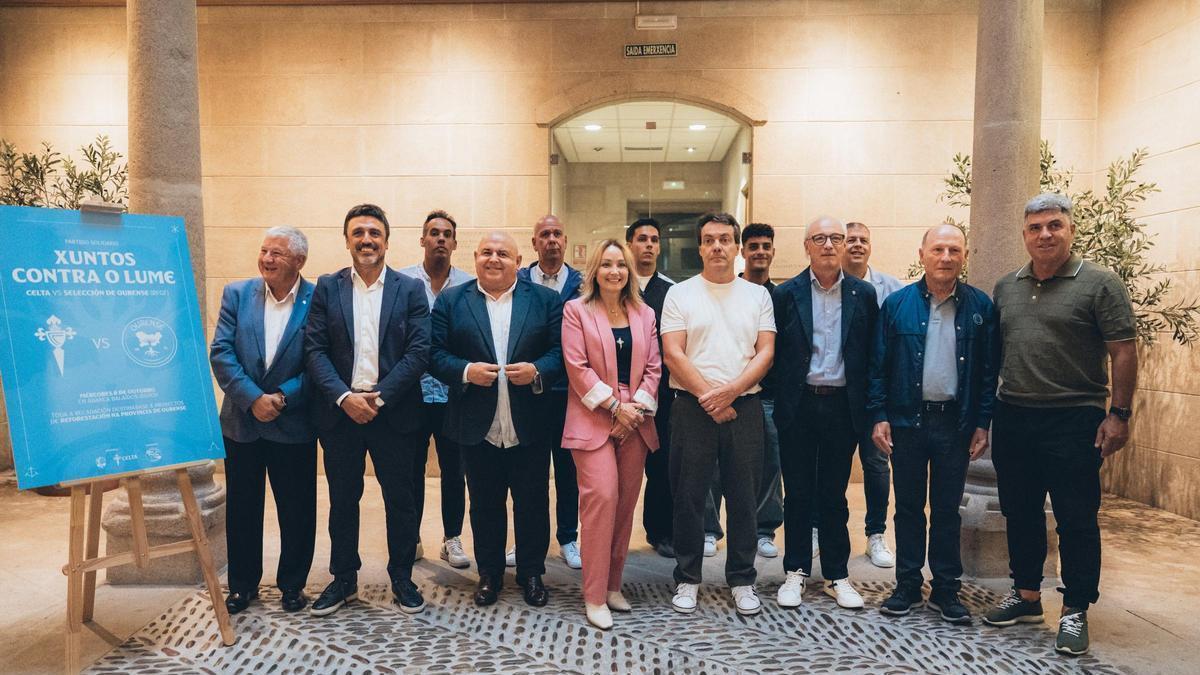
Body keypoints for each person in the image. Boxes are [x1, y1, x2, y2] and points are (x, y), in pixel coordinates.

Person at [982, 193, 1138, 657]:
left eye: (1054, 226)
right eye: (1035, 228)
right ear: (1024, 235)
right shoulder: (1007, 286)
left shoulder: (1100, 284)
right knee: (1020, 511)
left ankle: (1074, 609)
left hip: (1075, 418)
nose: (1045, 235)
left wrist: (1120, 414)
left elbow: (1124, 351)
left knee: (1075, 518)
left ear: (1070, 230)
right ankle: (1027, 596)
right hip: (1014, 415)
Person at [304, 204, 431, 617]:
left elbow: (419, 351)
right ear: (346, 241)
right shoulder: (327, 287)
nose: (366, 240)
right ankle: (343, 579)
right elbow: (315, 349)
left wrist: (380, 396)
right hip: (341, 413)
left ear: (387, 241)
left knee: (401, 499)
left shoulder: (409, 289)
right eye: (357, 232)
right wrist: (344, 397)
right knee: (343, 499)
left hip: (392, 412)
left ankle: (401, 577)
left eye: (374, 233)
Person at [868, 223, 998, 624]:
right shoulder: (897, 305)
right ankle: (907, 583)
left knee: (947, 509)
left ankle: (945, 588)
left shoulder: (980, 308)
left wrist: (982, 423)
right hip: (907, 422)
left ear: (965, 256)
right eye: (938, 249)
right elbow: (878, 367)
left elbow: (989, 372)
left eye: (954, 250)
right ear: (922, 254)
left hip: (954, 425)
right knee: (907, 507)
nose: (946, 258)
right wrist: (879, 416)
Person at [430, 230, 564, 608]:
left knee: (533, 502)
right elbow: (434, 353)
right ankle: (489, 574)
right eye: (486, 252)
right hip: (477, 425)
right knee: (484, 503)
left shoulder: (545, 300)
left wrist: (538, 370)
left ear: (519, 263)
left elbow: (561, 352)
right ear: (474, 258)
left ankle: (532, 572)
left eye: (503, 253)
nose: (494, 259)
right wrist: (466, 370)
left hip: (529, 423)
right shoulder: (453, 300)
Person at [660, 213, 776, 617]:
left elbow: (766, 352)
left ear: (737, 246)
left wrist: (730, 392)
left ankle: (742, 579)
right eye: (709, 240)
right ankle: (688, 578)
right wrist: (710, 396)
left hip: (743, 408)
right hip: (691, 409)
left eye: (725, 239)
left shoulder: (757, 296)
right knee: (689, 497)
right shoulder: (681, 294)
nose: (717, 247)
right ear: (700, 246)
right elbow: (673, 352)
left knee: (744, 497)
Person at [772, 216, 877, 610]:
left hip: (841, 405)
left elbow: (871, 355)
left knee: (834, 494)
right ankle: (795, 571)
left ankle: (837, 574)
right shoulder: (786, 294)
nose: (830, 245)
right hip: (798, 406)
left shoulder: (863, 295)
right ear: (807, 246)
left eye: (837, 238)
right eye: (821, 238)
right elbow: (775, 352)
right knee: (797, 493)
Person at [210, 226, 317, 615]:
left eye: (278, 254)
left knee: (297, 509)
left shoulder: (316, 298)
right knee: (242, 507)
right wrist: (253, 398)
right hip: (243, 422)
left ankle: (292, 585)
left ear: (299, 262)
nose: (268, 259)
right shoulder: (238, 294)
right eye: (264, 251)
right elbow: (221, 351)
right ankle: (242, 585)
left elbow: (319, 361)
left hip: (293, 423)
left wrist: (283, 397)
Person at [561, 239, 662, 630]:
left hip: (635, 419)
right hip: (593, 418)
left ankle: (614, 585)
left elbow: (654, 367)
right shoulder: (577, 311)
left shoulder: (645, 313)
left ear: (629, 270)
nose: (614, 271)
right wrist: (616, 408)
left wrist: (634, 408)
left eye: (621, 264)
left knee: (624, 506)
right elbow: (577, 366)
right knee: (601, 499)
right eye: (606, 264)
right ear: (595, 272)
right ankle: (593, 594)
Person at [703, 223, 784, 560]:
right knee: (713, 464)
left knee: (767, 463)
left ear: (773, 251)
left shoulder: (780, 296)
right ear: (743, 252)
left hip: (764, 394)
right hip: (715, 393)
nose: (760, 252)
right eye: (753, 247)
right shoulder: (723, 291)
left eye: (766, 246)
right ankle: (709, 530)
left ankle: (764, 529)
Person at [399, 210, 474, 569]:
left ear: (455, 243)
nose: (440, 239)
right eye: (433, 233)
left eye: (447, 234)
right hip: (412, 393)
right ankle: (411, 536)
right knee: (411, 468)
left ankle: (452, 539)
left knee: (453, 469)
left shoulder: (467, 286)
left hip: (452, 393)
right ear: (423, 239)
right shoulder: (403, 282)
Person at [515, 214, 584, 569]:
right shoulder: (518, 281)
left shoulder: (583, 284)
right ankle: (527, 541)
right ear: (534, 243)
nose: (552, 240)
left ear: (566, 240)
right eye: (544, 234)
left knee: (569, 471)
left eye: (557, 233)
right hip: (530, 392)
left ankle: (568, 538)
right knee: (530, 473)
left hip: (571, 394)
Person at [837, 221, 905, 568]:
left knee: (877, 465)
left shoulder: (892, 289)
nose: (857, 245)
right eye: (851, 240)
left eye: (863, 240)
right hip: (837, 394)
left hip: (877, 396)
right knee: (830, 466)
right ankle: (827, 530)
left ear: (870, 246)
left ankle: (876, 534)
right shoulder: (829, 285)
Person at [626, 217, 676, 558]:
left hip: (662, 397)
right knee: (619, 472)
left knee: (662, 468)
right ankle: (613, 536)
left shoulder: (672, 291)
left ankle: (661, 533)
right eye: (642, 238)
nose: (648, 245)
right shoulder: (616, 284)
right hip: (618, 396)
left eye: (654, 240)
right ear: (630, 243)